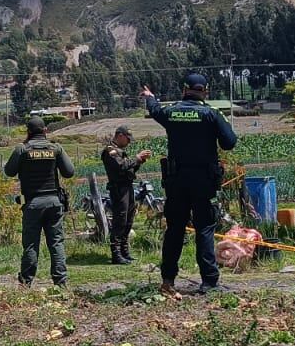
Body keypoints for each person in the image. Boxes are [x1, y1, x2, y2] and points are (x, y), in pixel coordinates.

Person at [141, 72, 238, 295]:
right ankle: (209, 281)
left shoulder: (171, 111)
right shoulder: (211, 114)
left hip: (177, 181)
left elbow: (155, 110)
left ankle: (168, 280)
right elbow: (229, 143)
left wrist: (150, 96)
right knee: (204, 228)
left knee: (175, 229)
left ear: (184, 90)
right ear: (205, 91)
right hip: (204, 181)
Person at [3, 114, 75, 287]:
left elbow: (9, 172)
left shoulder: (22, 149)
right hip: (53, 202)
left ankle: (26, 281)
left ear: (28, 132)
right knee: (56, 242)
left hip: (33, 203)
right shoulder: (55, 149)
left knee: (31, 244)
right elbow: (69, 172)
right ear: (45, 130)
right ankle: (60, 281)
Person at [102, 125, 153, 265]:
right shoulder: (110, 151)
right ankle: (116, 254)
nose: (129, 142)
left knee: (129, 219)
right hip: (118, 189)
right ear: (119, 135)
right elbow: (121, 167)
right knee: (120, 220)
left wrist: (140, 161)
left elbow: (128, 169)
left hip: (127, 187)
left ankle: (125, 251)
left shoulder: (120, 151)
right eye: (127, 139)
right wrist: (136, 158)